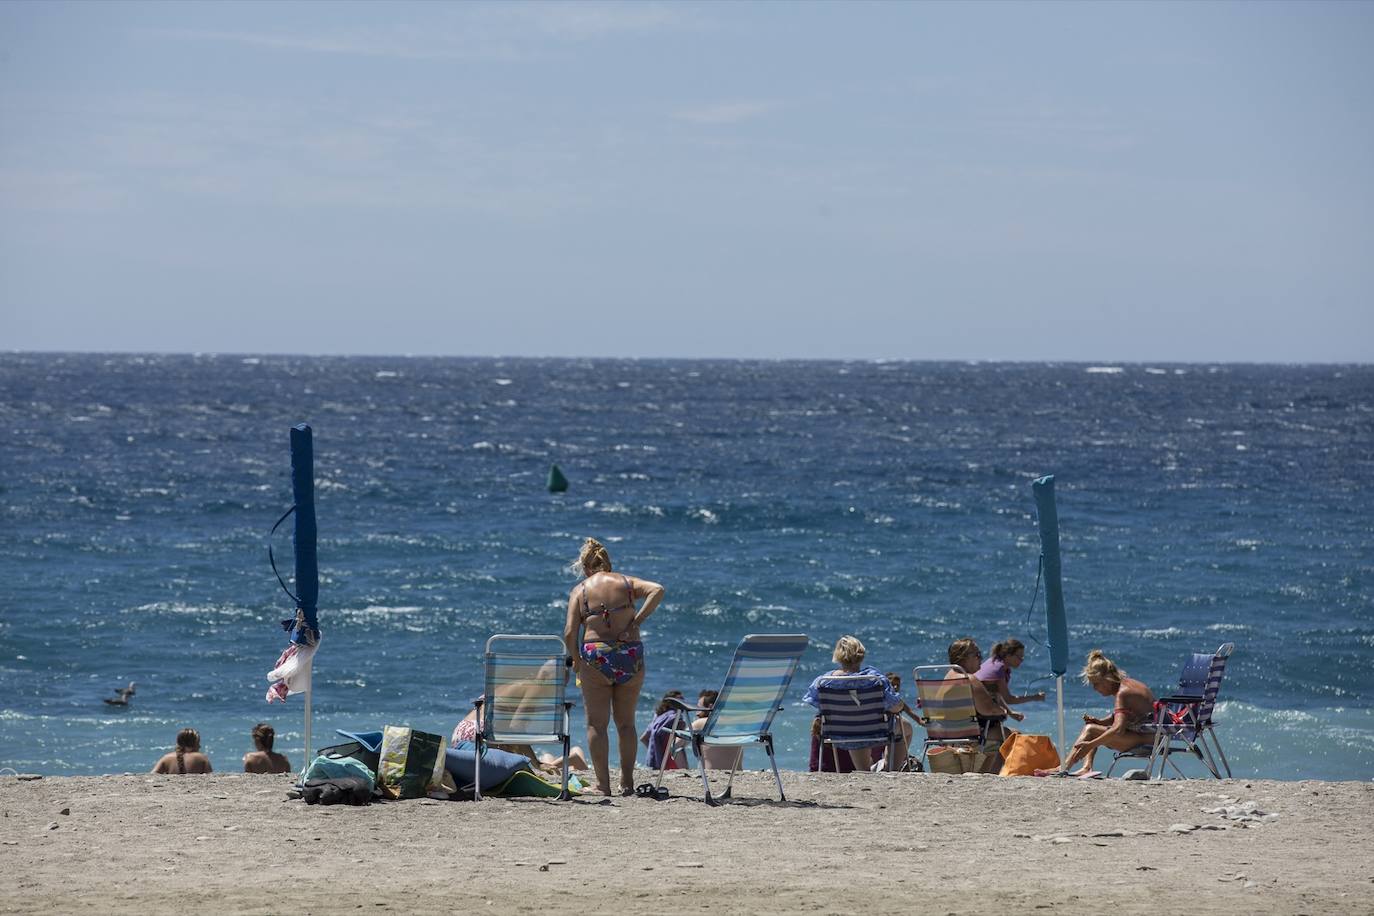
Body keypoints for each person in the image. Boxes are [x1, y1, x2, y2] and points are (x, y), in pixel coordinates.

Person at [563, 536, 665, 796]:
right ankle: (628, 783)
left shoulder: (581, 590)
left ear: (586, 568)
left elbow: (568, 633)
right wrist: (635, 622)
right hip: (630, 655)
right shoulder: (627, 583)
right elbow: (657, 590)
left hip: (596, 657)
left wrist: (576, 661)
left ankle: (603, 785)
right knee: (626, 724)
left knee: (597, 725)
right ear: (608, 563)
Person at [803, 636, 904, 771]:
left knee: (854, 729)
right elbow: (896, 707)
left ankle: (865, 770)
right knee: (906, 727)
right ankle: (891, 769)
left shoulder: (823, 681)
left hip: (839, 732)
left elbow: (816, 703)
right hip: (873, 730)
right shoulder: (875, 678)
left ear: (837, 656)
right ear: (861, 655)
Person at [1049, 649, 1156, 776]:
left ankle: (1064, 767)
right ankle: (1086, 767)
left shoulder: (1123, 693)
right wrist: (1100, 722)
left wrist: (1089, 745)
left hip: (1147, 741)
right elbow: (1125, 716)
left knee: (1090, 730)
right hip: (1152, 737)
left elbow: (1118, 729)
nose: (1095, 689)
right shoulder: (1129, 685)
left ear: (1107, 679)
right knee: (1093, 728)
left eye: (1096, 684)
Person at [451, 699, 588, 774]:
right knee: (575, 753)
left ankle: (555, 761)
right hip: (479, 751)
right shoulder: (511, 706)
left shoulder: (491, 697)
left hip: (460, 744)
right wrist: (537, 764)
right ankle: (561, 761)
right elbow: (516, 735)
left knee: (549, 757)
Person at [946, 637, 1022, 747]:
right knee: (1016, 736)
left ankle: (987, 765)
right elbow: (990, 710)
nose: (981, 658)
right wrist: (1003, 711)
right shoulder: (969, 680)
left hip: (947, 736)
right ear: (963, 658)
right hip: (968, 736)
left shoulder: (946, 679)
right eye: (977, 655)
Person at [975, 639, 1048, 710]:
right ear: (1008, 655)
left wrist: (1011, 713)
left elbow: (999, 696)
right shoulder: (999, 668)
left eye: (1023, 657)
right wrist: (1035, 697)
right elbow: (1008, 699)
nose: (1022, 660)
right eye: (1019, 656)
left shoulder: (993, 661)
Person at [690, 689, 743, 771]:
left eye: (699, 706)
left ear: (710, 707)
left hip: (711, 775)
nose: (697, 710)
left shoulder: (701, 723)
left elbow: (675, 745)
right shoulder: (735, 724)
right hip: (737, 774)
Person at [641, 690, 688, 771]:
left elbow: (643, 738)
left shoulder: (658, 717)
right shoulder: (676, 717)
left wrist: (655, 751)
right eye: (679, 701)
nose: (682, 703)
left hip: (658, 759)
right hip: (672, 758)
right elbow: (679, 741)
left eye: (682, 700)